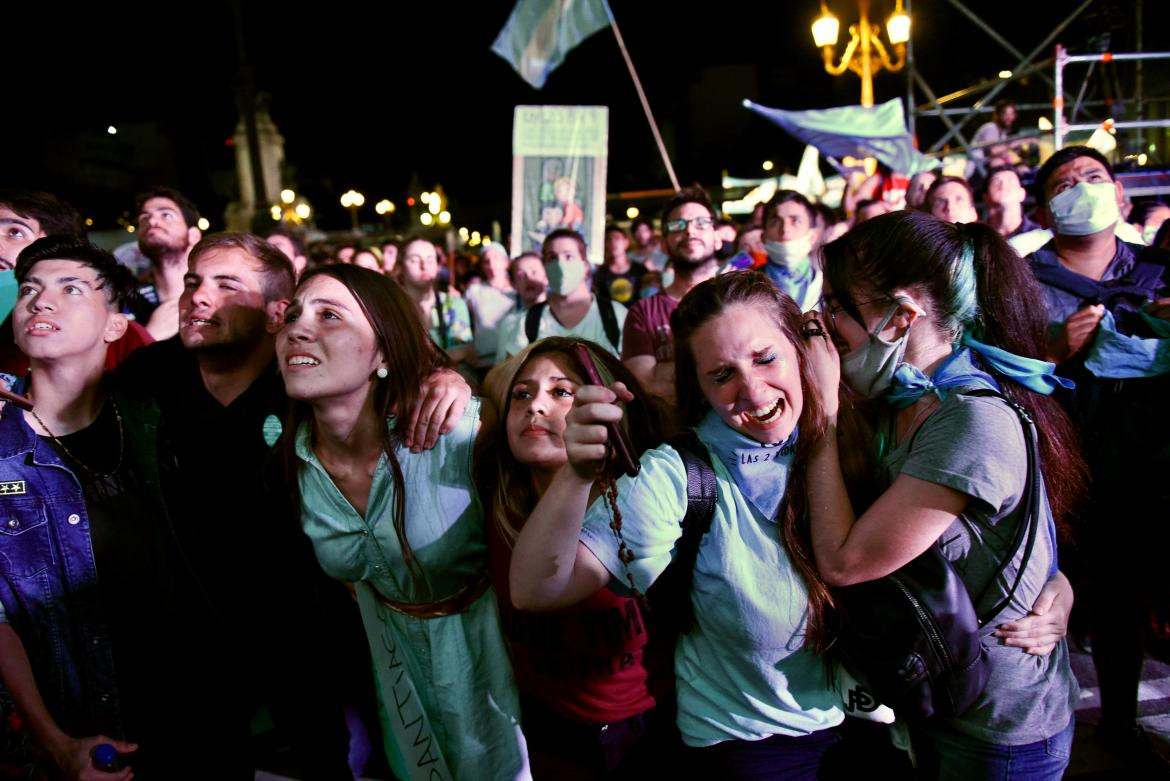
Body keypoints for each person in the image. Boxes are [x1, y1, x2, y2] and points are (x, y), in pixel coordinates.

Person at [511, 271, 846, 779]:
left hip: (874, 725)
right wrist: (576, 474)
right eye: (721, 375)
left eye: (765, 357)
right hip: (753, 746)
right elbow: (539, 587)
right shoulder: (677, 474)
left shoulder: (859, 427)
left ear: (803, 351)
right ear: (701, 388)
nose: (753, 391)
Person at [806, 210, 1083, 780]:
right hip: (932, 700)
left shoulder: (970, 420)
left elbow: (844, 560)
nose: (822, 319)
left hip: (998, 731)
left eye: (836, 305)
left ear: (901, 316)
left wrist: (823, 415)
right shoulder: (897, 400)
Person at [278, 264, 529, 780]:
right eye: (293, 315)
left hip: (493, 669)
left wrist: (458, 377)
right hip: (393, 677)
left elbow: (531, 394)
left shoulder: (451, 433)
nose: (299, 328)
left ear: (384, 352)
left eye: (330, 315)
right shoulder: (289, 460)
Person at [0, 237, 238, 779]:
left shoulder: (160, 417)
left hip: (196, 716)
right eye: (29, 290)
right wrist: (55, 741)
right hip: (78, 732)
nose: (40, 301)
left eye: (71, 289)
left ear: (114, 325)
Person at [1026, 145, 1170, 767]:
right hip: (1062, 460)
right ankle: (1042, 732)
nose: (1081, 188)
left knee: (1130, 599)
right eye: (1064, 183)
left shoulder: (1161, 272)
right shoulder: (1024, 283)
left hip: (1151, 461)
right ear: (1046, 209)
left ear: (1120, 196)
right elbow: (993, 368)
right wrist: (1052, 348)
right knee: (1054, 592)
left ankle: (1118, 720)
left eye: (1093, 177)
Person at [479, 337, 679, 777]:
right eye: (522, 394)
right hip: (547, 727)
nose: (536, 407)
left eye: (561, 392)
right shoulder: (495, 502)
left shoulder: (640, 499)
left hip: (648, 726)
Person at [622, 187, 720, 404]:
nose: (690, 231)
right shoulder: (643, 312)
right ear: (664, 244)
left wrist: (668, 369)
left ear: (718, 237)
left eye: (701, 223)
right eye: (677, 225)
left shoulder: (742, 300)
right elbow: (646, 384)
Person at [501, 229, 626, 359]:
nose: (560, 264)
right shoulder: (528, 322)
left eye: (569, 256)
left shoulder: (616, 315)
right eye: (552, 258)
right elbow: (510, 374)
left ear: (585, 265)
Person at [133, 187, 203, 340]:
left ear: (193, 235)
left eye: (166, 215)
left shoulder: (214, 298)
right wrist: (149, 336)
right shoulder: (127, 303)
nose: (152, 221)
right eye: (144, 218)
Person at [399, 236, 477, 370]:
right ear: (401, 267)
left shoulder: (453, 304)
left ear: (437, 265)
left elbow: (465, 350)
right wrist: (455, 354)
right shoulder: (393, 308)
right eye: (414, 260)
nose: (424, 265)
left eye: (430, 259)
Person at [760, 190, 823, 311]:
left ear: (812, 236)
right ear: (763, 237)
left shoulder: (827, 286)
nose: (785, 230)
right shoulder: (746, 288)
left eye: (795, 221)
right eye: (775, 222)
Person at [464, 244, 518, 370]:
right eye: (486, 261)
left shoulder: (518, 292)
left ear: (506, 262)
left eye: (496, 258)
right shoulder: (474, 291)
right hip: (482, 363)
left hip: (512, 363)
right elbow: (461, 322)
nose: (491, 264)